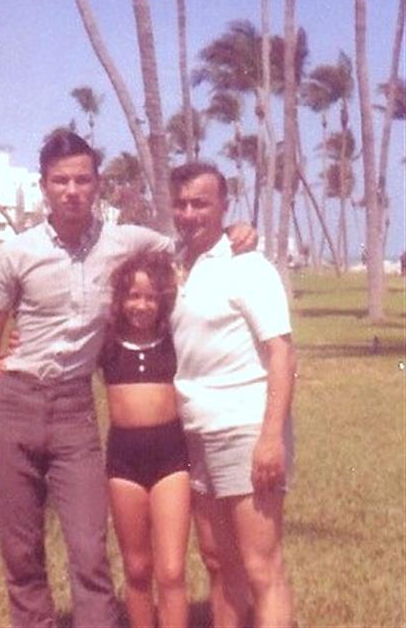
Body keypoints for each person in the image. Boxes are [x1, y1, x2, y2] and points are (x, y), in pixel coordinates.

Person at [0, 131, 256, 628]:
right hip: (14, 402)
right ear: (44, 186)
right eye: (60, 181)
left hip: (75, 410)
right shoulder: (17, 253)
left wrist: (237, 230)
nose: (71, 190)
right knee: (21, 548)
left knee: (88, 546)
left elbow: (190, 241)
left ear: (97, 184)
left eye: (82, 179)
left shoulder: (126, 242)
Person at [169, 161, 296, 628]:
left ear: (223, 205)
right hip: (197, 432)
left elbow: (281, 353)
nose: (189, 213)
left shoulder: (248, 266)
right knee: (219, 563)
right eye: (180, 204)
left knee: (262, 567)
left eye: (200, 203)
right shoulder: (180, 265)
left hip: (243, 430)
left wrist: (270, 438)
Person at [100, 251, 190, 628]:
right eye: (133, 296)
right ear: (120, 300)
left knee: (170, 571)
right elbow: (63, 355)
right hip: (124, 464)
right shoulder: (106, 343)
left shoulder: (176, 340)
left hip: (171, 461)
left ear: (163, 300)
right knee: (137, 569)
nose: (141, 305)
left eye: (151, 297)